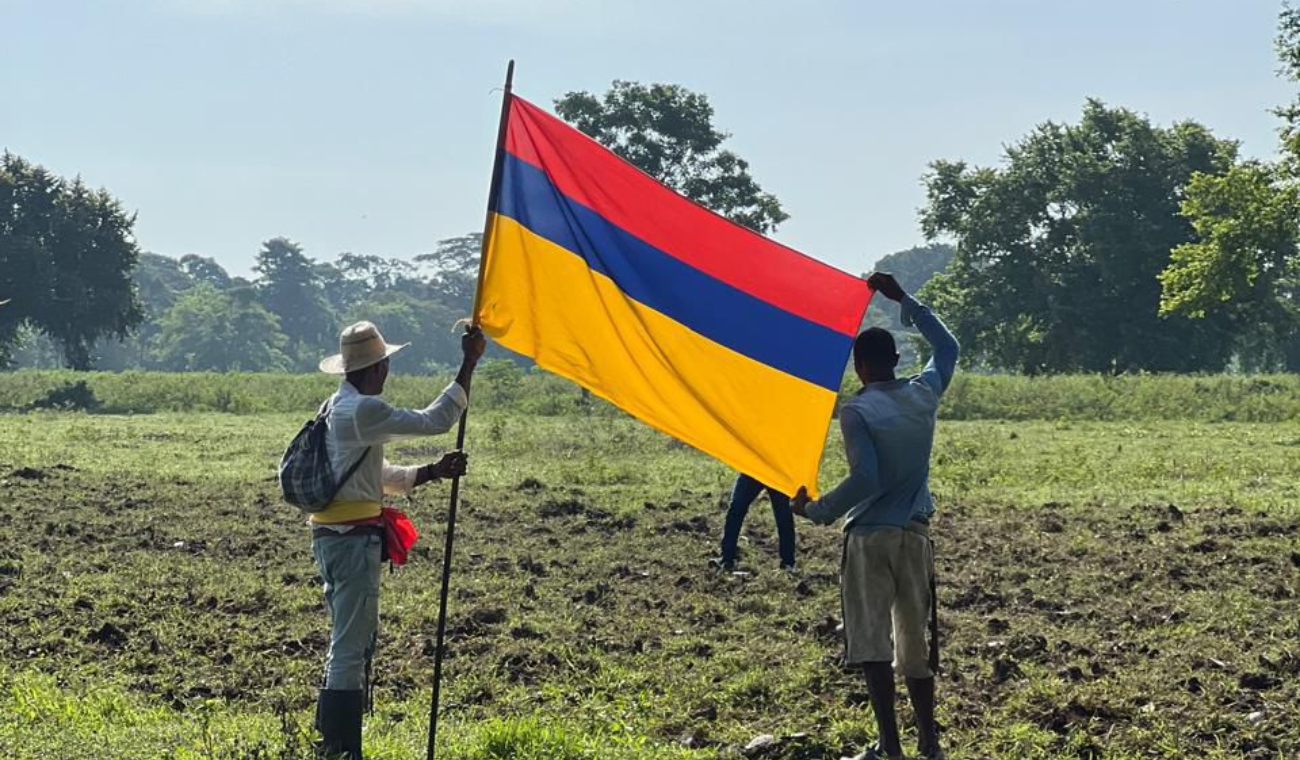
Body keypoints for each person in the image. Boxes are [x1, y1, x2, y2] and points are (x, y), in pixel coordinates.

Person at [792, 272, 958, 760]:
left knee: (872, 644)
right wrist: (905, 298)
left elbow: (867, 478)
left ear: (860, 367)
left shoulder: (858, 411)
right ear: (897, 360)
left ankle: (890, 746)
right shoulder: (923, 394)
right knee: (915, 643)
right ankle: (930, 742)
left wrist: (817, 511)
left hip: (869, 538)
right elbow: (948, 347)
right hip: (915, 535)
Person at [311, 320, 486, 759]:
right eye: (386, 362)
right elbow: (437, 420)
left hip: (334, 538)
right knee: (350, 646)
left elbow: (378, 477)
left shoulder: (336, 407)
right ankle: (340, 749)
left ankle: (336, 745)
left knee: (349, 639)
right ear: (379, 368)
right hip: (352, 543)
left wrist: (432, 472)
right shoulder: (363, 411)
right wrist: (469, 362)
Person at [710, 473, 797, 572]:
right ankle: (726, 559)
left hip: (778, 471)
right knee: (736, 508)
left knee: (783, 516)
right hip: (754, 469)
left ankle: (788, 563)